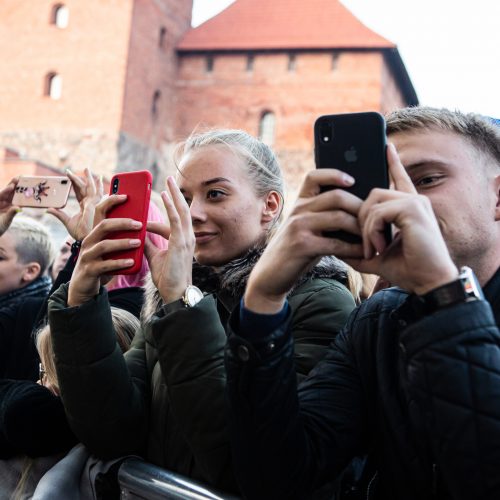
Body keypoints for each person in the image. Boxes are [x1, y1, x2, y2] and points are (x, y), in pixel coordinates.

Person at [48, 129, 358, 492]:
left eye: (215, 194)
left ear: (269, 205)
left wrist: (182, 303)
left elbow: (243, 465)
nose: (193, 214)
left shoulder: (318, 300)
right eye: (183, 197)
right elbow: (112, 431)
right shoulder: (170, 296)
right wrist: (82, 302)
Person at [225, 107, 500, 500]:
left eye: (425, 179)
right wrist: (263, 301)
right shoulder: (379, 319)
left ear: (498, 196)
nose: (399, 201)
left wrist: (443, 293)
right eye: (380, 186)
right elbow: (277, 476)